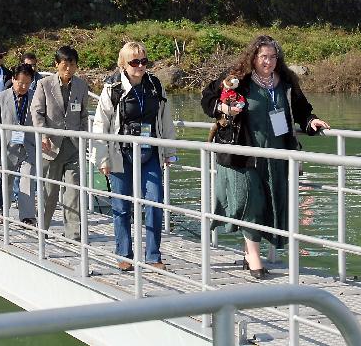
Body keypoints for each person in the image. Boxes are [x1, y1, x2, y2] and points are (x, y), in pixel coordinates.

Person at [200, 35, 330, 278]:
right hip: (244, 153)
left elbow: (302, 109)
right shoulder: (240, 79)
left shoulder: (287, 82)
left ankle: (249, 250)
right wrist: (225, 109)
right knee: (252, 201)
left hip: (277, 154)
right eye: (263, 57)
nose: (268, 62)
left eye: (272, 57)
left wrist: (312, 121)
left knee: (270, 203)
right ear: (253, 58)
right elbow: (207, 100)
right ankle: (254, 259)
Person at [92, 41, 176, 271]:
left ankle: (153, 255)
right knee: (121, 205)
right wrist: (102, 159)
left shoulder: (155, 85)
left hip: (150, 151)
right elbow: (101, 125)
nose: (140, 66)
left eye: (143, 61)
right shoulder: (113, 88)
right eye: (134, 62)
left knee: (155, 201)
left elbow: (165, 119)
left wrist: (170, 151)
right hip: (121, 152)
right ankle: (124, 255)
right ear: (123, 64)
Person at [30, 46, 88, 241]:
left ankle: (73, 234)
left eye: (72, 64)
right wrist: (43, 134)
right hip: (51, 145)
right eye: (65, 64)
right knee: (49, 192)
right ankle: (43, 229)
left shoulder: (81, 85)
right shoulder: (44, 84)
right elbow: (36, 111)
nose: (68, 68)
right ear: (56, 64)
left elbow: (83, 114)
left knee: (73, 192)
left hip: (73, 145)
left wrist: (83, 137)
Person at [0, 63, 37, 224]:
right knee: (6, 181)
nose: (23, 86)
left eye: (27, 83)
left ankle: (27, 215)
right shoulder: (1, 97)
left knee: (27, 179)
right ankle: (4, 211)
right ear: (13, 79)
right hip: (7, 147)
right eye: (20, 82)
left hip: (28, 146)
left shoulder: (35, 96)